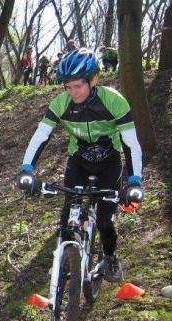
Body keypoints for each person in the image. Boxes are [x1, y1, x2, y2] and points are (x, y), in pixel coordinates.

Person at [17, 48, 144, 282]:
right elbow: (41, 135)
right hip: (79, 160)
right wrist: (27, 168)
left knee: (105, 220)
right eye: (68, 86)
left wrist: (134, 181)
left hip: (109, 162)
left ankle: (109, 257)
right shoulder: (61, 103)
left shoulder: (113, 101)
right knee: (68, 214)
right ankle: (68, 258)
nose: (73, 92)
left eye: (78, 86)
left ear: (94, 80)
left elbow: (131, 144)